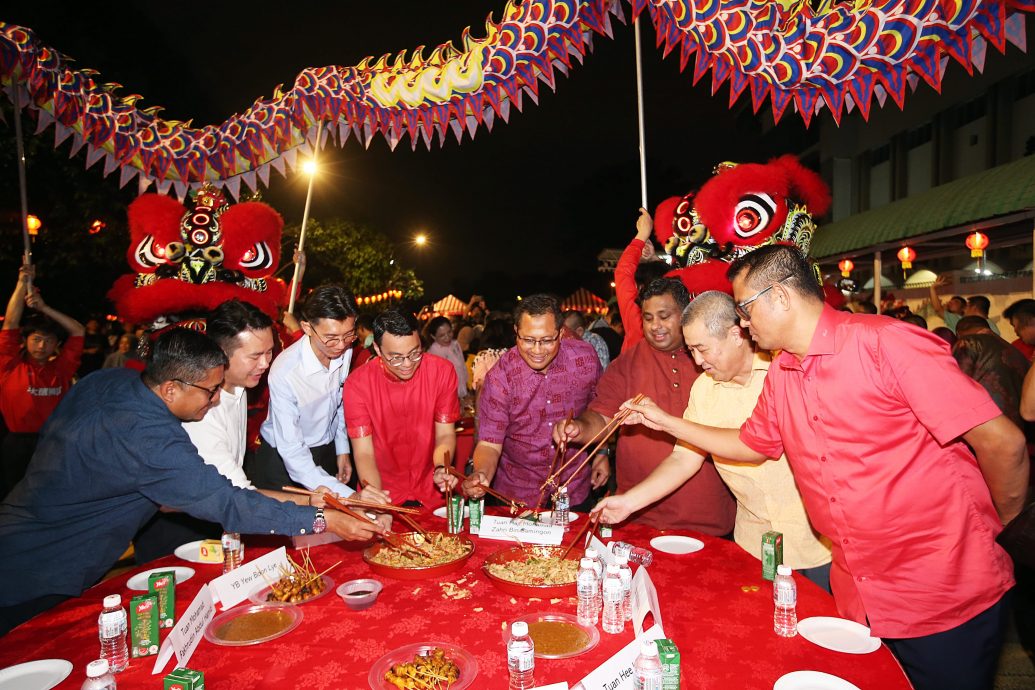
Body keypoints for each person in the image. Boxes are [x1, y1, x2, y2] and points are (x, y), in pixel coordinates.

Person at [620, 244, 1026, 690]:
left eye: (745, 309)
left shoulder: (884, 343)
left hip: (940, 588)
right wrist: (662, 420)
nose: (743, 322)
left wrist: (996, 527)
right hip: (857, 591)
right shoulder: (783, 374)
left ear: (780, 297)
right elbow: (750, 445)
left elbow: (1002, 442)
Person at [0, 328, 382, 635]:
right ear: (171, 389)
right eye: (210, 390)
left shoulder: (109, 381)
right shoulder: (151, 438)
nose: (216, 400)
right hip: (41, 569)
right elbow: (229, 503)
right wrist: (324, 519)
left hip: (20, 527)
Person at [593, 291, 832, 588]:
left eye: (702, 349)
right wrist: (629, 502)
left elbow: (754, 446)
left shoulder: (783, 371)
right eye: (691, 350)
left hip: (819, 543)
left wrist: (668, 422)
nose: (697, 360)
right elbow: (684, 458)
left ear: (735, 334)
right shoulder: (705, 390)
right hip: (753, 543)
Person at [555, 278, 735, 535]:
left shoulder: (712, 361)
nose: (655, 326)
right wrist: (578, 429)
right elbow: (603, 417)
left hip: (708, 517)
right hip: (638, 514)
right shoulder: (628, 363)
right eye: (648, 318)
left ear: (686, 314)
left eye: (664, 316)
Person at [463, 294, 605, 510]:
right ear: (516, 334)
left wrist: (602, 454)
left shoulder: (584, 359)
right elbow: (489, 443)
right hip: (516, 493)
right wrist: (482, 474)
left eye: (546, 340)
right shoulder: (500, 377)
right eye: (528, 340)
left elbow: (601, 409)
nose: (537, 350)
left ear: (560, 334)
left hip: (573, 486)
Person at [248, 285, 359, 496]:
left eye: (349, 335)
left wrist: (342, 448)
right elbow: (292, 450)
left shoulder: (345, 349)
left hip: (325, 450)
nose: (341, 345)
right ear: (307, 327)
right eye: (331, 337)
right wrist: (348, 495)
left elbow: (339, 400)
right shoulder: (285, 372)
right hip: (282, 462)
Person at [344, 309, 459, 506]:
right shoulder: (358, 384)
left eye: (415, 353)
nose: (407, 364)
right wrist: (377, 501)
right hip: (382, 488)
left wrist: (442, 467)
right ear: (378, 350)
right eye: (396, 357)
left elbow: (445, 435)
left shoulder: (441, 372)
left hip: (430, 488)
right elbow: (364, 453)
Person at [0, 265, 84, 498]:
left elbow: (77, 330)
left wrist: (44, 307)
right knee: (14, 497)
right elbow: (10, 323)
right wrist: (21, 283)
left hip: (52, 442)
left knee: (50, 497)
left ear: (56, 345)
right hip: (16, 443)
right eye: (36, 339)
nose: (41, 346)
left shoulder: (62, 368)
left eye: (48, 341)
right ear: (25, 341)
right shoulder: (9, 366)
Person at [425, 316, 469, 400]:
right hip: (446, 398)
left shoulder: (455, 344)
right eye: (442, 335)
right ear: (433, 337)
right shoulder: (432, 354)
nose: (447, 337)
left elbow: (462, 367)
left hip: (462, 393)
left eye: (449, 332)